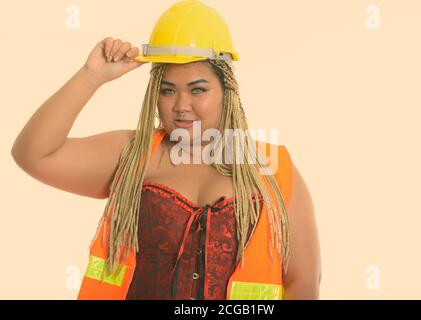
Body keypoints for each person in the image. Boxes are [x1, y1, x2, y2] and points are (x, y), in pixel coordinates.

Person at [11, 0, 320, 299]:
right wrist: (91, 76)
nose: (181, 106)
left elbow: (303, 280)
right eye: (167, 90)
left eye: (198, 89)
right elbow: (33, 154)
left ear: (228, 92)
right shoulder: (133, 154)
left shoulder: (273, 167)